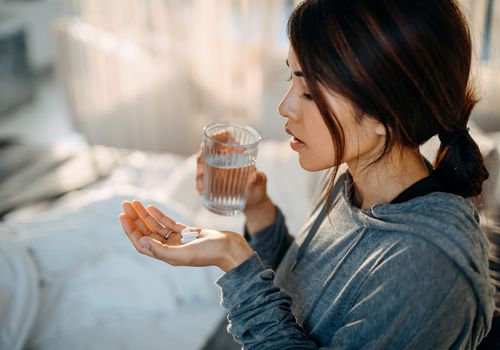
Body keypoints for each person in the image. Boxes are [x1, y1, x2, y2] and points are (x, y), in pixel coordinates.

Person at [119, 0, 496, 348]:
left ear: (386, 111)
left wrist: (234, 260)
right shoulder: (352, 180)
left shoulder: (427, 268)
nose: (285, 107)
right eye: (291, 79)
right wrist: (259, 210)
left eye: (310, 92)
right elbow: (300, 294)